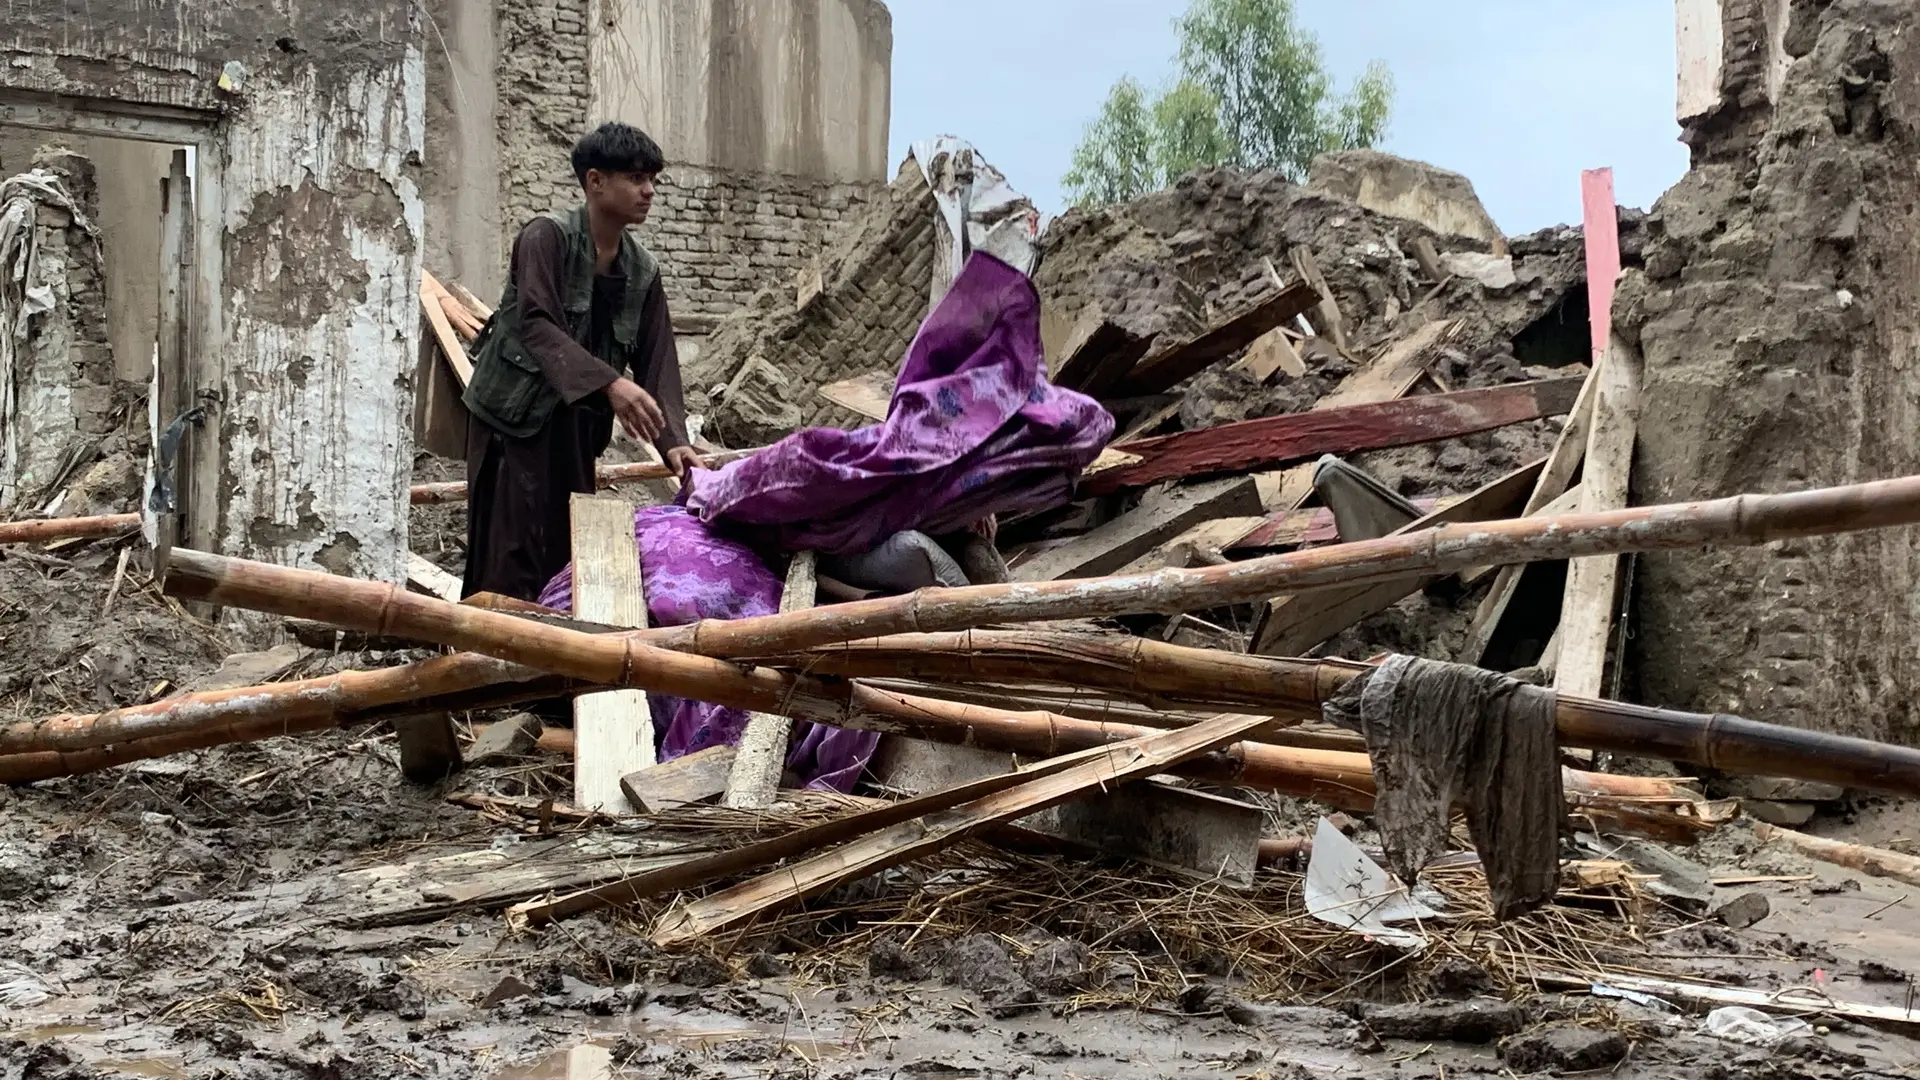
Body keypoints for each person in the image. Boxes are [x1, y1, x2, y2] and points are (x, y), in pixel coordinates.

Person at [460, 122, 703, 601]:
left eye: (652, 179)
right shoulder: (545, 238)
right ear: (595, 182)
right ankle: (490, 659)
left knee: (564, 547)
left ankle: (552, 663)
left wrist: (674, 442)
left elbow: (658, 359)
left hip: (575, 428)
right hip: (513, 419)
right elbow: (536, 323)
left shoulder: (642, 270)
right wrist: (612, 384)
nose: (648, 191)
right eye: (635, 178)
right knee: (508, 551)